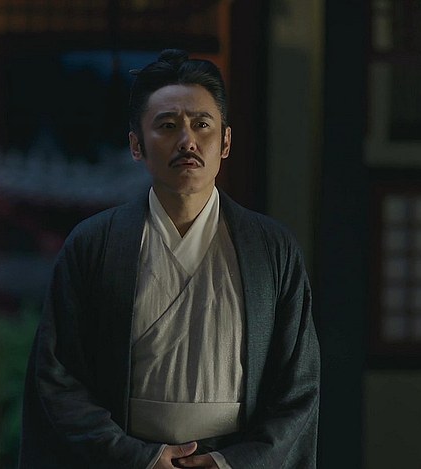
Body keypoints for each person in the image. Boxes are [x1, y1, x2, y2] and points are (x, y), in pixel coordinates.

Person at [19, 49, 320, 469]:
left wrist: (232, 462)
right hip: (128, 458)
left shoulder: (271, 249)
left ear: (226, 142)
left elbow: (297, 386)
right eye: (167, 126)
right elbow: (58, 376)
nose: (187, 141)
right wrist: (138, 457)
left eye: (202, 124)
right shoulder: (94, 244)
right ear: (136, 145)